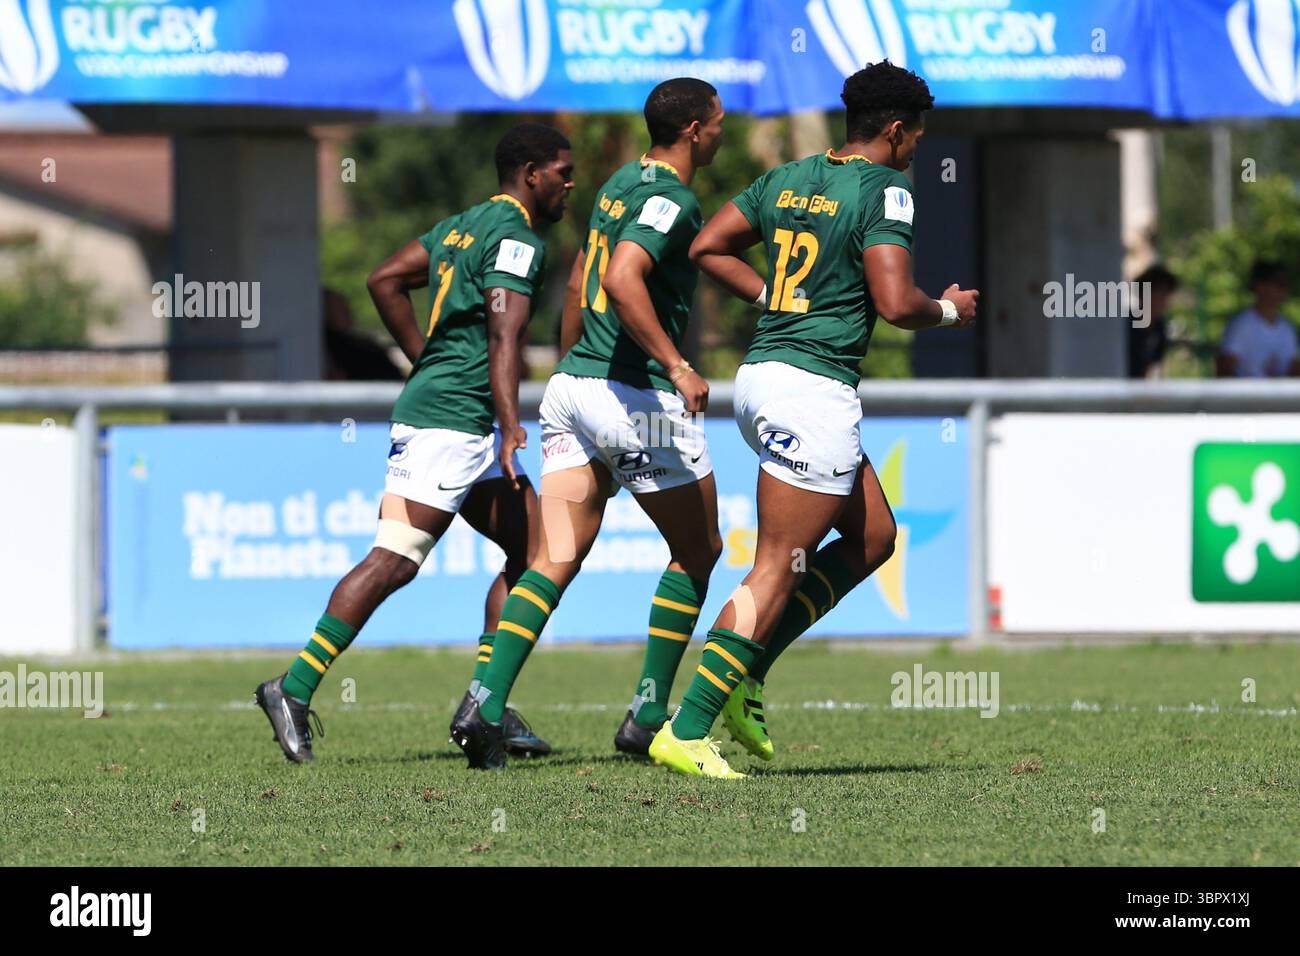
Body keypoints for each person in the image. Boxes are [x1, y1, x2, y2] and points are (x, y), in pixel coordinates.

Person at [652, 60, 977, 778]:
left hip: (763, 376)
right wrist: (950, 309)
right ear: (896, 130)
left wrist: (774, 294)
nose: (919, 147)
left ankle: (743, 675)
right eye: (917, 135)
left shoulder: (790, 176)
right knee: (776, 565)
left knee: (872, 537)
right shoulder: (887, 188)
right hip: (812, 390)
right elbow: (895, 303)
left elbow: (708, 247)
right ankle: (688, 725)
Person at [254, 123, 574, 763]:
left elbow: (383, 279)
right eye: (563, 173)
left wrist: (424, 358)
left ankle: (487, 701)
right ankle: (291, 688)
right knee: (395, 559)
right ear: (532, 173)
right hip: (450, 424)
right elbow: (504, 338)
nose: (570, 185)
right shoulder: (514, 237)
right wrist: (513, 424)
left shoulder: (460, 227)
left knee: (537, 548)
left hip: (457, 417)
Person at [450, 78, 726, 770]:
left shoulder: (617, 184)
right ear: (694, 129)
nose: (722, 132)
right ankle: (648, 713)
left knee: (555, 557)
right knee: (698, 551)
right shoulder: (673, 198)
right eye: (718, 122)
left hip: (573, 386)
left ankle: (485, 703)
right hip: (629, 392)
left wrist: (575, 367)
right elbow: (625, 279)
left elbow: (581, 284)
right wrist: (679, 365)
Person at [1216, 260, 1299, 378]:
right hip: (1246, 396)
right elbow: (1225, 369)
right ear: (1260, 286)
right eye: (1279, 283)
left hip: (1278, 396)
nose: (1284, 289)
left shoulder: (1287, 328)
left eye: (1285, 284)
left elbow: (1294, 367)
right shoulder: (1242, 324)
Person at [1128, 264, 1178, 379]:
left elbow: (1152, 367)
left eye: (1167, 293)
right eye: (1159, 292)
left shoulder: (1159, 328)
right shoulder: (1124, 326)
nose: (1164, 299)